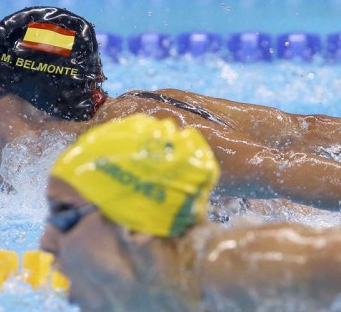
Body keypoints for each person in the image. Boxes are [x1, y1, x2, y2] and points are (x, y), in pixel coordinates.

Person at [0, 6, 341, 210]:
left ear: (36, 101)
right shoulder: (142, 108)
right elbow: (301, 131)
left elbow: (278, 169)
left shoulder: (143, 137)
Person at [39, 114, 341, 311]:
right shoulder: (152, 291)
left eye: (64, 215)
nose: (46, 242)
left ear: (135, 227)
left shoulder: (246, 267)